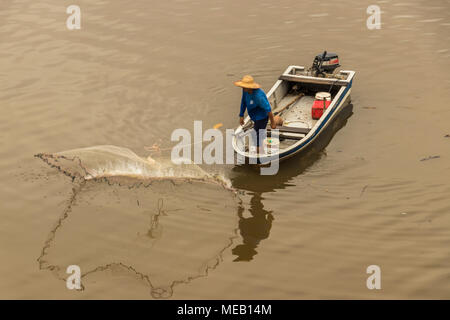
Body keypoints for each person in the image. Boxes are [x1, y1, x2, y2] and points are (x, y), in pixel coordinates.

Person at [234, 75, 282, 154]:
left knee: (257, 138)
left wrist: (272, 122)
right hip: (254, 116)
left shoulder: (258, 96)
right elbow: (243, 101)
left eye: (244, 87)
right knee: (257, 135)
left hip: (262, 117)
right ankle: (278, 120)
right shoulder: (245, 91)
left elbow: (268, 110)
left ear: (250, 87)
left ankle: (260, 154)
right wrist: (241, 115)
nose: (242, 88)